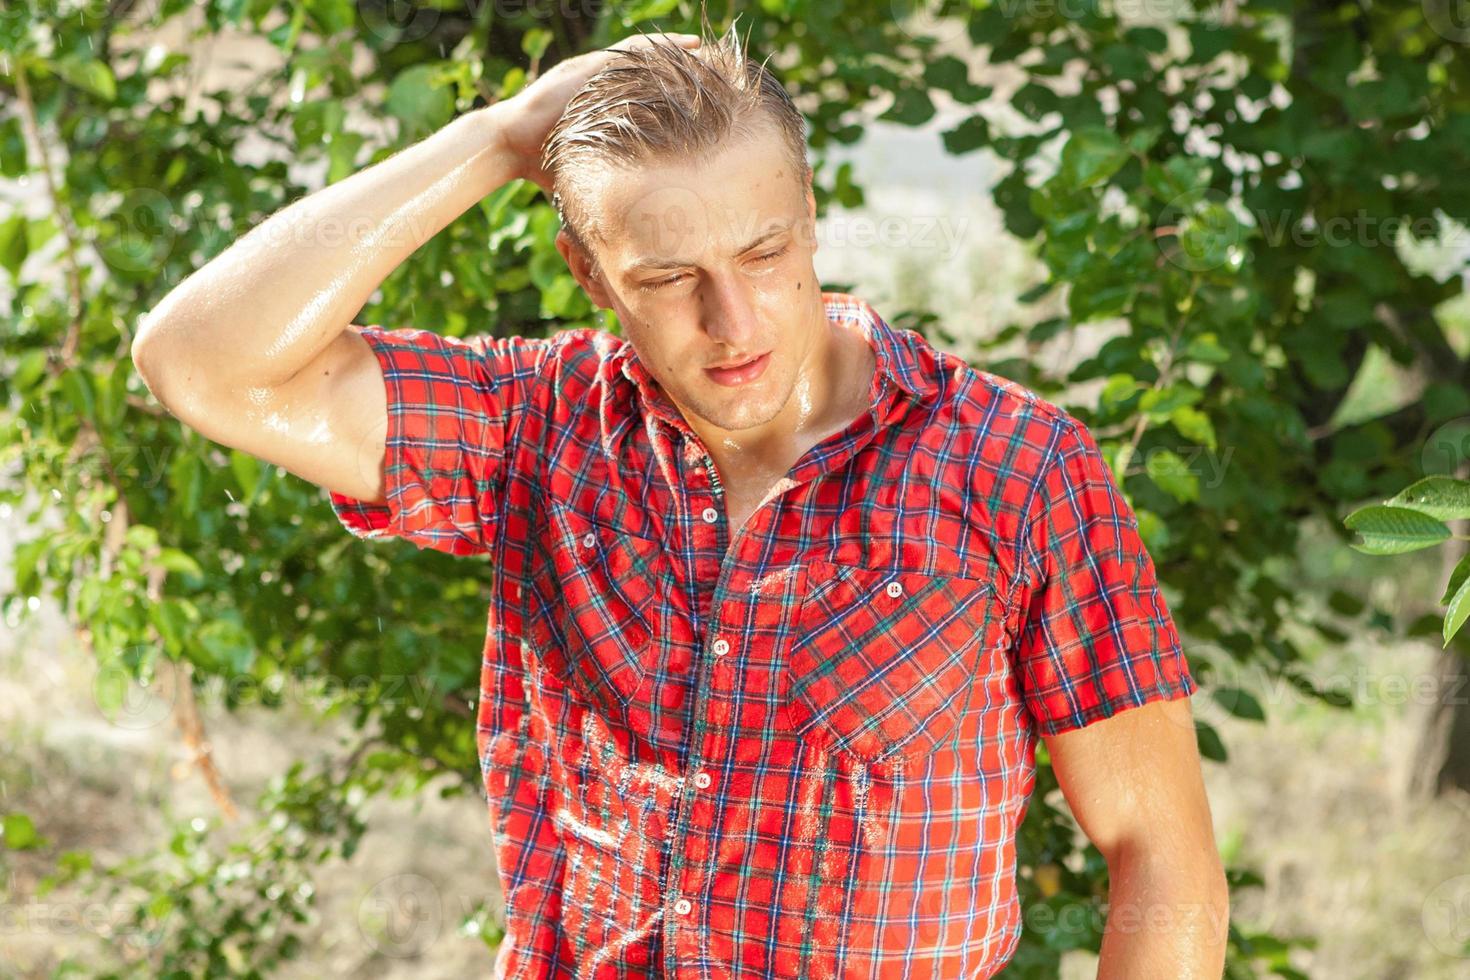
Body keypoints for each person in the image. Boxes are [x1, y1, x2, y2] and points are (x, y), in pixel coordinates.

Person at [132, 20, 1228, 979]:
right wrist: (502, 136)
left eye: (763, 250)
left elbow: (1161, 855)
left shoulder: (1016, 469)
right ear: (589, 272)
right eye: (667, 278)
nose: (736, 318)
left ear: (810, 214)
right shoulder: (537, 426)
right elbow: (200, 363)